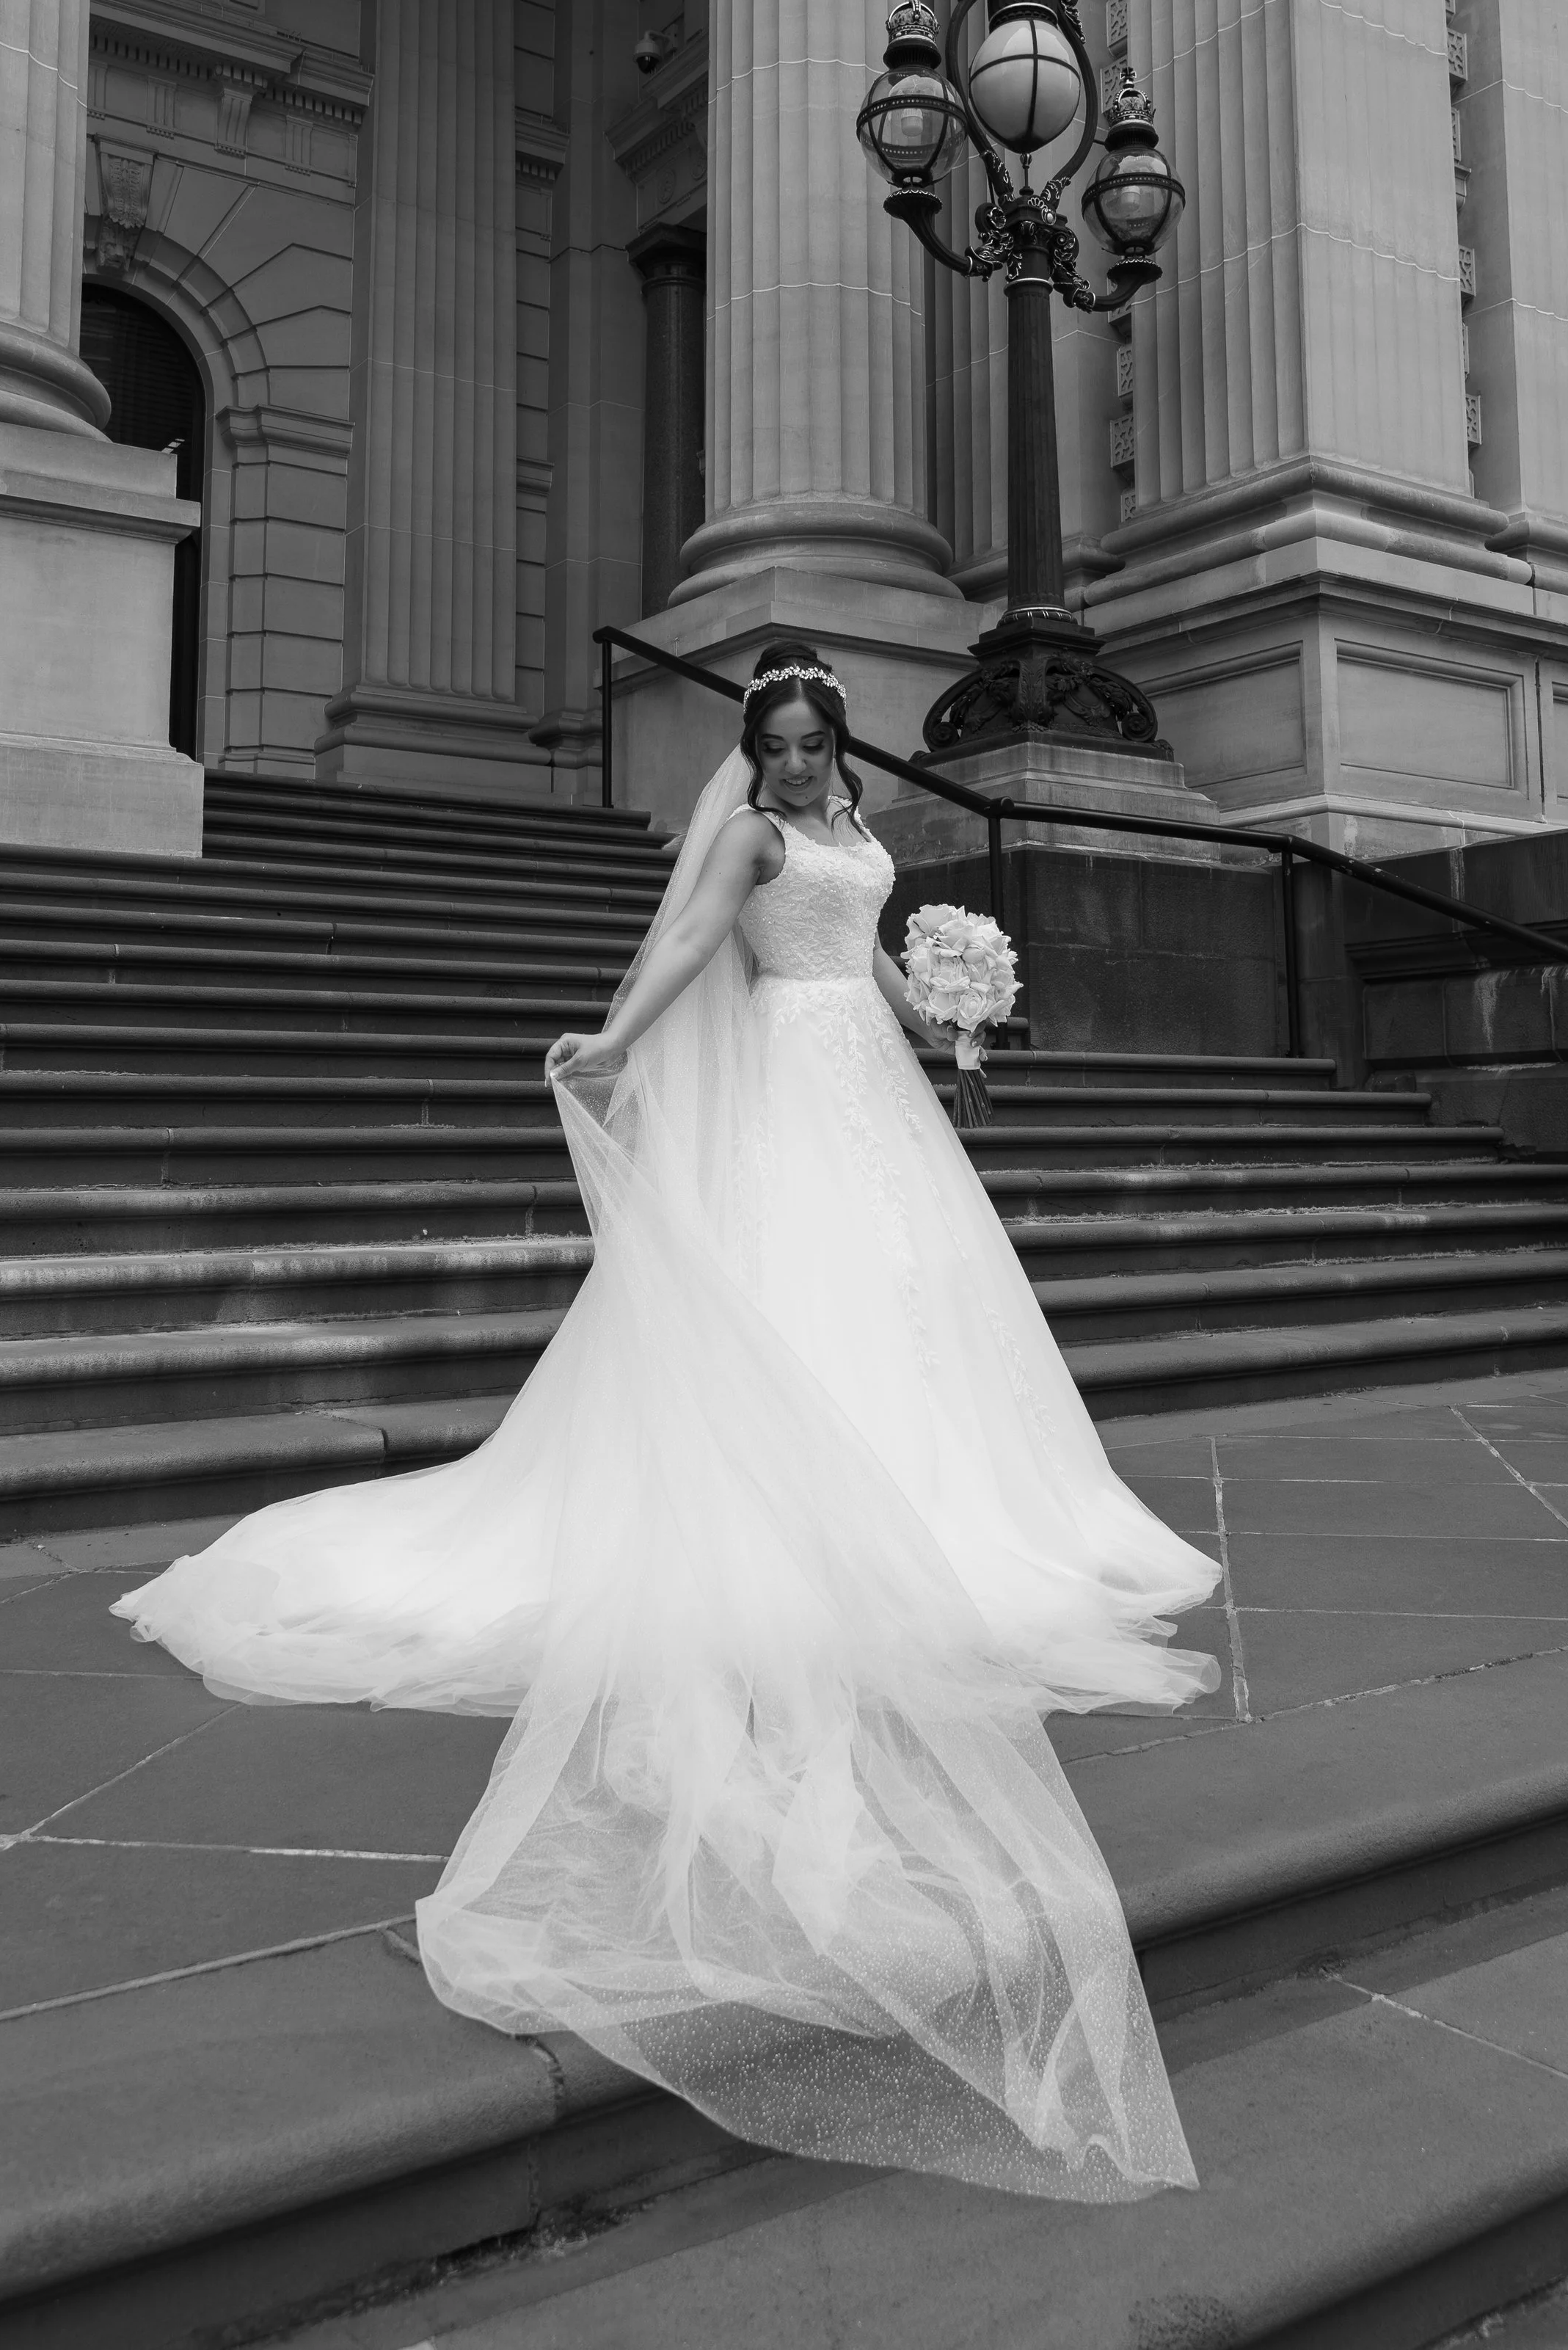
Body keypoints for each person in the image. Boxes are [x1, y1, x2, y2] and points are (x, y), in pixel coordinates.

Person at [114, 642, 1222, 2205]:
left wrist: (947, 1020)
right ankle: (829, 1523)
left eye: (801, 740)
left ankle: (948, 1505)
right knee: (808, 1304)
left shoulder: (844, 828)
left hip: (873, 1085)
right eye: (764, 743)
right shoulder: (756, 838)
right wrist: (619, 1035)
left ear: (835, 741)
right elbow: (700, 939)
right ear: (748, 752)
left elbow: (879, 975)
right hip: (786, 1089)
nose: (780, 762)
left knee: (911, 1303)